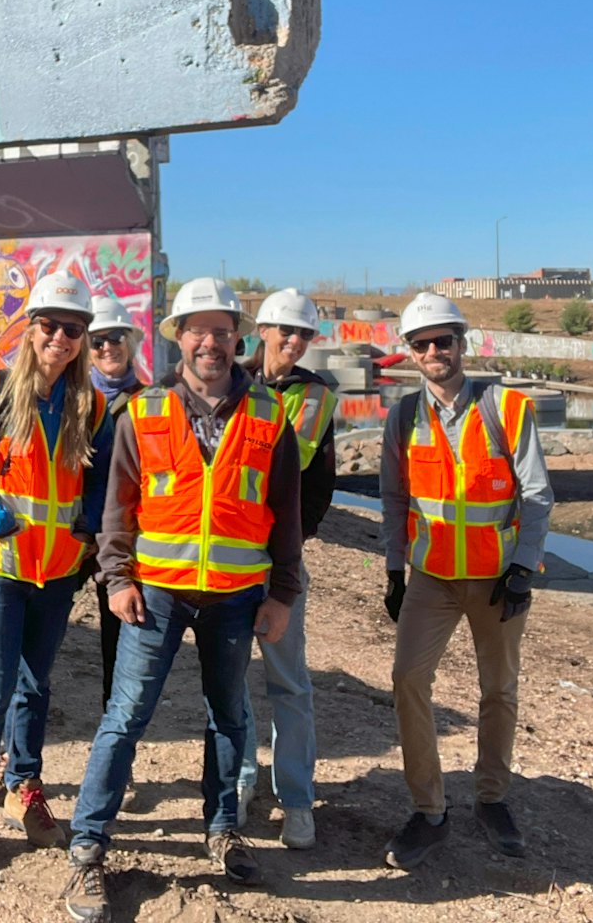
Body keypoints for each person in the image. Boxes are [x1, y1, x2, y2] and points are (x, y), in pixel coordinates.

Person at [60, 277, 302, 922]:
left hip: (235, 596)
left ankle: (223, 829)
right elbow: (119, 508)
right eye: (197, 330)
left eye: (222, 331)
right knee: (125, 717)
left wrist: (282, 594)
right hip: (156, 596)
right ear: (179, 339)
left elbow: (286, 515)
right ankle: (88, 847)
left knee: (230, 716)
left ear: (237, 339)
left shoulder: (270, 417)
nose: (210, 342)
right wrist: (117, 578)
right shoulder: (144, 413)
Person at [0, 274, 113, 876]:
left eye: (73, 329)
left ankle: (23, 787)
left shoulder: (88, 405)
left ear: (84, 337)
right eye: (50, 325)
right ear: (31, 327)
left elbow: (95, 484)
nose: (60, 338)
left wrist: (86, 534)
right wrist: (0, 523)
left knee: (35, 687)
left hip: (58, 573)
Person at [380, 292, 554, 871]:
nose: (435, 352)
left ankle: (492, 798)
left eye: (444, 341)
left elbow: (535, 494)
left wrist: (524, 567)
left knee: (499, 690)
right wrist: (393, 570)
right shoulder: (404, 416)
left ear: (462, 343)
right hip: (431, 578)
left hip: (497, 578)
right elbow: (394, 499)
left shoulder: (507, 409)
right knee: (408, 679)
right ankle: (430, 810)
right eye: (422, 344)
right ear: (410, 353)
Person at [236, 288, 337, 850]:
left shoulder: (314, 394)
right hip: (228, 553)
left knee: (289, 682)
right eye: (285, 331)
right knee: (229, 681)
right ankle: (242, 779)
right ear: (264, 330)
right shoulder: (233, 379)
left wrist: (296, 544)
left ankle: (296, 799)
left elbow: (292, 460)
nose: (294, 342)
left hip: (279, 559)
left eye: (303, 335)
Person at [83, 294, 146, 710]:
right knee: (35, 645)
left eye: (117, 336)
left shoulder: (152, 402)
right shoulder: (71, 400)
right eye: (98, 339)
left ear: (131, 341)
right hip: (74, 535)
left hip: (125, 539)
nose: (109, 346)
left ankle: (118, 755)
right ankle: (18, 754)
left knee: (120, 648)